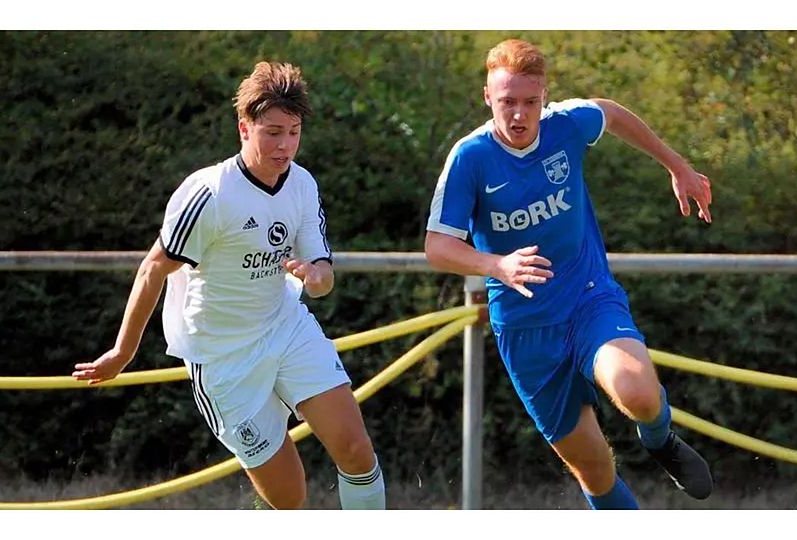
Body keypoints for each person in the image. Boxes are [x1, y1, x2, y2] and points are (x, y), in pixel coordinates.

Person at [72, 61, 385, 510]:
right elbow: (152, 269)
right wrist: (123, 352)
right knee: (289, 497)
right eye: (272, 132)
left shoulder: (302, 184)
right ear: (244, 127)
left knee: (356, 451)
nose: (285, 146)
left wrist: (318, 278)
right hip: (223, 359)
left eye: (293, 132)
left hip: (286, 329)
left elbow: (321, 274)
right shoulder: (210, 194)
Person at [424, 39, 714, 510]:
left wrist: (677, 165)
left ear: (544, 97)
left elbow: (611, 113)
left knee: (637, 392)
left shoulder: (566, 126)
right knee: (595, 469)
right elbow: (437, 246)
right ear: (486, 97)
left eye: (530, 102)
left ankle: (659, 440)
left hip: (587, 299)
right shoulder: (469, 158)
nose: (519, 115)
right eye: (507, 102)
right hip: (525, 330)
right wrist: (495, 264)